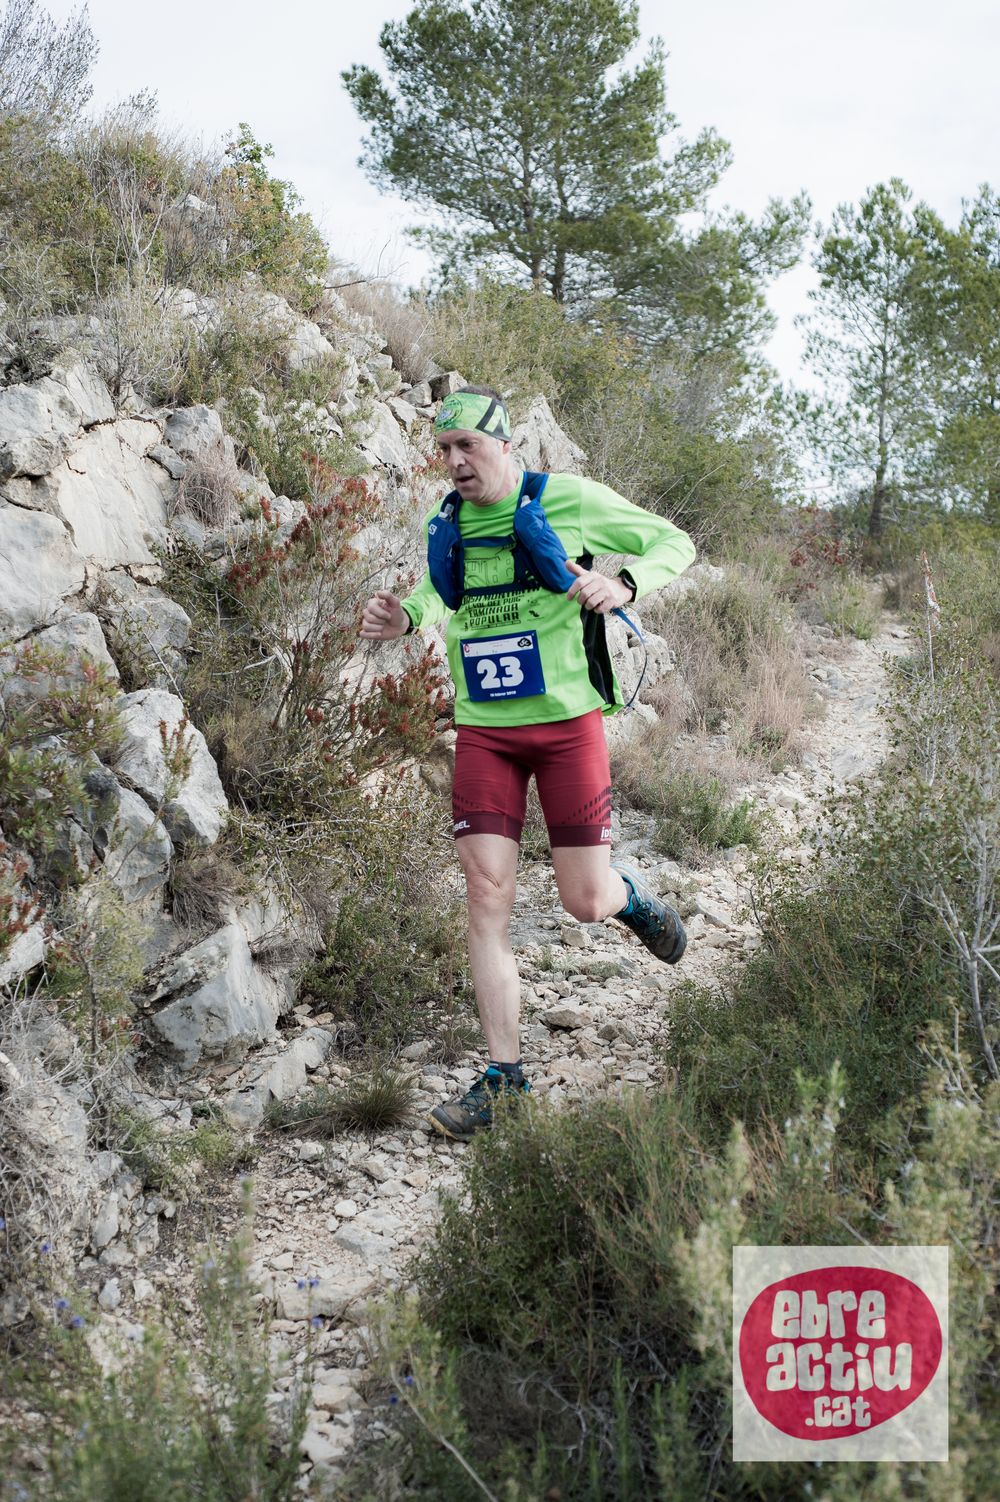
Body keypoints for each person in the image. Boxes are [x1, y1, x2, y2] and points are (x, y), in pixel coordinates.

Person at [361, 386, 696, 1140]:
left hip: (566, 728)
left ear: (504, 446)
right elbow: (435, 592)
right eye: (443, 451)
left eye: (466, 448)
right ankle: (503, 1078)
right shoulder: (446, 521)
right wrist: (404, 616)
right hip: (485, 733)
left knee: (583, 899)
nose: (453, 463)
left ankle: (630, 901)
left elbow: (674, 542)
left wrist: (624, 583)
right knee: (486, 894)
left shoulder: (567, 499)